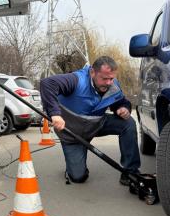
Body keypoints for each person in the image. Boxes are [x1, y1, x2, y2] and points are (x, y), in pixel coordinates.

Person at [40, 56, 140, 185]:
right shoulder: (76, 80)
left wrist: (123, 108)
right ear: (92, 72)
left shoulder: (113, 85)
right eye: (104, 78)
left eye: (111, 78)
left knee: (128, 123)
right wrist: (55, 114)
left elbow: (120, 101)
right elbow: (47, 84)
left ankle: (130, 172)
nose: (109, 82)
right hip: (72, 133)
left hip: (96, 125)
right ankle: (73, 166)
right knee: (78, 177)